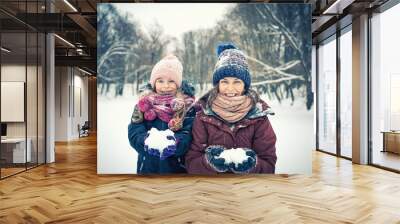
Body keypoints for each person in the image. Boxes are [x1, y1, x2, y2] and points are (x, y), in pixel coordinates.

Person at [185, 43, 277, 174]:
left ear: (245, 85)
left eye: (237, 82)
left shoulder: (259, 117)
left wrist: (253, 165)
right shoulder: (203, 115)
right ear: (218, 84)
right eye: (224, 82)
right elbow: (191, 164)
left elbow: (269, 165)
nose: (230, 88)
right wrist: (208, 162)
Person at [128, 54, 196, 174]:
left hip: (176, 169)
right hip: (148, 168)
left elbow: (190, 133)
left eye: (171, 81)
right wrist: (144, 141)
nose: (166, 86)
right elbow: (134, 131)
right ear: (154, 83)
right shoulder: (143, 105)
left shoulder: (187, 106)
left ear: (178, 84)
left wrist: (176, 143)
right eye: (160, 81)